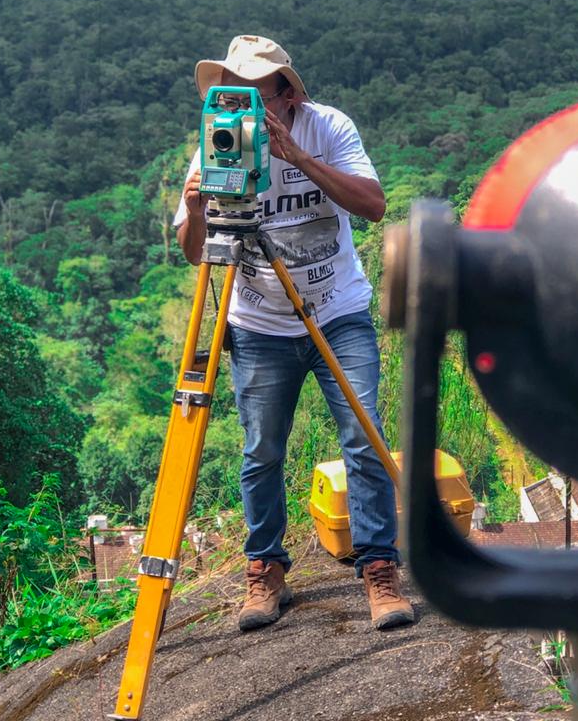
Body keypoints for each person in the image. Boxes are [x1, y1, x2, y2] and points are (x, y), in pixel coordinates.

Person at [174, 34, 414, 633]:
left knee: (363, 434)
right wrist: (198, 206)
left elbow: (375, 205)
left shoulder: (328, 127)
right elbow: (192, 252)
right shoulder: (217, 138)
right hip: (257, 322)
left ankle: (379, 567)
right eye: (234, 95)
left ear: (286, 96)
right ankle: (265, 571)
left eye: (256, 98)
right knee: (261, 450)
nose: (243, 109)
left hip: (338, 310)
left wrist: (298, 158)